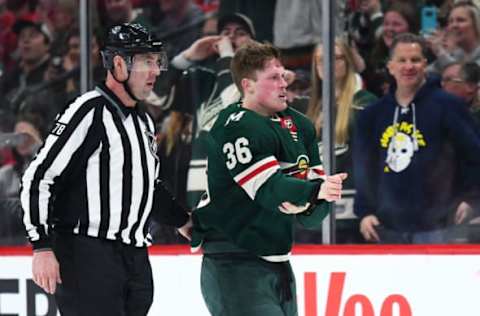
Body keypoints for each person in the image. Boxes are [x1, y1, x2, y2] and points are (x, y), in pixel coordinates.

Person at [20, 23, 191, 315]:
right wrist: (42, 246)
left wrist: (182, 221)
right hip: (87, 256)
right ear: (119, 64)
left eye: (157, 61)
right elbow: (39, 177)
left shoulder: (143, 122)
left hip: (135, 258)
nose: (155, 71)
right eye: (146, 62)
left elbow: (145, 185)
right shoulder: (89, 111)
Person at [191, 41, 347, 316]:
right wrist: (314, 192)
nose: (284, 82)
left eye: (283, 74)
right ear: (248, 85)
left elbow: (312, 216)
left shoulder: (300, 125)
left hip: (278, 260)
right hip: (233, 259)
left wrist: (319, 195)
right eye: (273, 77)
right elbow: (269, 190)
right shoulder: (235, 124)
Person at [353, 33, 480, 244]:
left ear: (425, 64)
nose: (408, 66)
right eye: (402, 60)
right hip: (387, 227)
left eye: (415, 60)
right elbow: (365, 168)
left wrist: (472, 199)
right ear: (390, 66)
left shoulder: (449, 107)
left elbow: (474, 156)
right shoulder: (373, 115)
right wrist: (365, 211)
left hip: (440, 227)